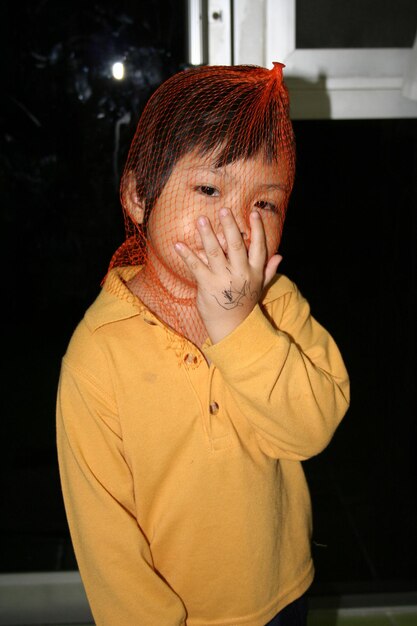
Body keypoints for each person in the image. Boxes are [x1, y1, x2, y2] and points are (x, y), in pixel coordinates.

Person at [56, 62, 350, 626]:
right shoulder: (99, 353)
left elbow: (311, 430)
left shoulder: (275, 302)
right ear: (140, 196)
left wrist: (241, 326)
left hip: (282, 592)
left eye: (265, 203)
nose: (239, 224)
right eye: (210, 188)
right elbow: (106, 538)